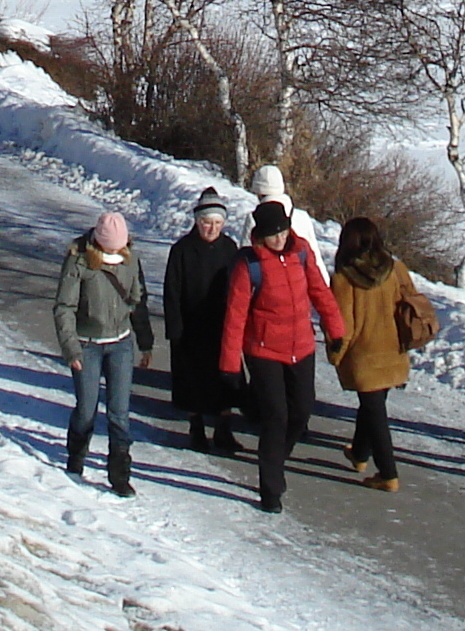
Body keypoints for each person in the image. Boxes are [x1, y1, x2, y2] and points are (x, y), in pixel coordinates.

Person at [219, 198, 345, 514]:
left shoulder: (301, 252)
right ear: (260, 235)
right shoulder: (249, 265)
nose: (279, 238)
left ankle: (275, 459)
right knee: (276, 416)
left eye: (283, 231)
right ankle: (270, 487)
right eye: (273, 234)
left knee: (302, 411)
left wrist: (336, 329)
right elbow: (235, 316)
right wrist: (230, 365)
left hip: (301, 346)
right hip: (264, 350)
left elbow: (320, 291)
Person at [327, 213, 431, 492]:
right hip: (393, 351)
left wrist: (335, 355)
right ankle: (360, 454)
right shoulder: (396, 269)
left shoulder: (344, 278)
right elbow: (412, 302)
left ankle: (388, 473)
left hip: (365, 355)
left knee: (375, 410)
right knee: (372, 405)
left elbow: (342, 325)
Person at [54, 209, 148, 496]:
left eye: (120, 245)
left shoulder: (130, 260)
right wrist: (71, 349)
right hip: (87, 344)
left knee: (120, 412)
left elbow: (137, 302)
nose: (117, 250)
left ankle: (119, 475)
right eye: (111, 245)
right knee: (86, 409)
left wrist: (145, 343)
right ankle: (76, 458)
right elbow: (64, 307)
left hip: (120, 344)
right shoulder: (79, 261)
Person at [164, 190, 246, 454]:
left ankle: (223, 430)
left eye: (217, 224)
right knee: (193, 382)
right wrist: (175, 328)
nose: (211, 228)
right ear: (197, 222)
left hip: (222, 326)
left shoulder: (230, 248)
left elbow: (239, 288)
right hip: (191, 328)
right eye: (207, 223)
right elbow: (172, 291)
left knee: (226, 380)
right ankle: (196, 428)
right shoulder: (182, 250)